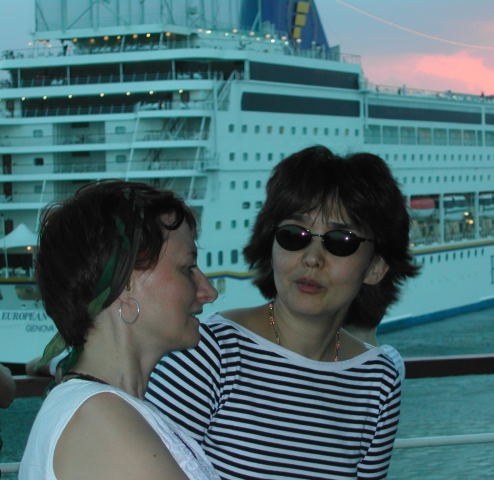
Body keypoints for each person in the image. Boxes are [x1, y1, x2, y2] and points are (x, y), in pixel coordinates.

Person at [146, 146, 419, 479]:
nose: (312, 258)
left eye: (341, 240)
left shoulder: (378, 379)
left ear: (375, 267)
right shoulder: (211, 355)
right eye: (294, 236)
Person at [19, 180, 220, 480]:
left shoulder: (102, 411)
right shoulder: (101, 422)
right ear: (125, 286)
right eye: (187, 267)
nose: (208, 292)